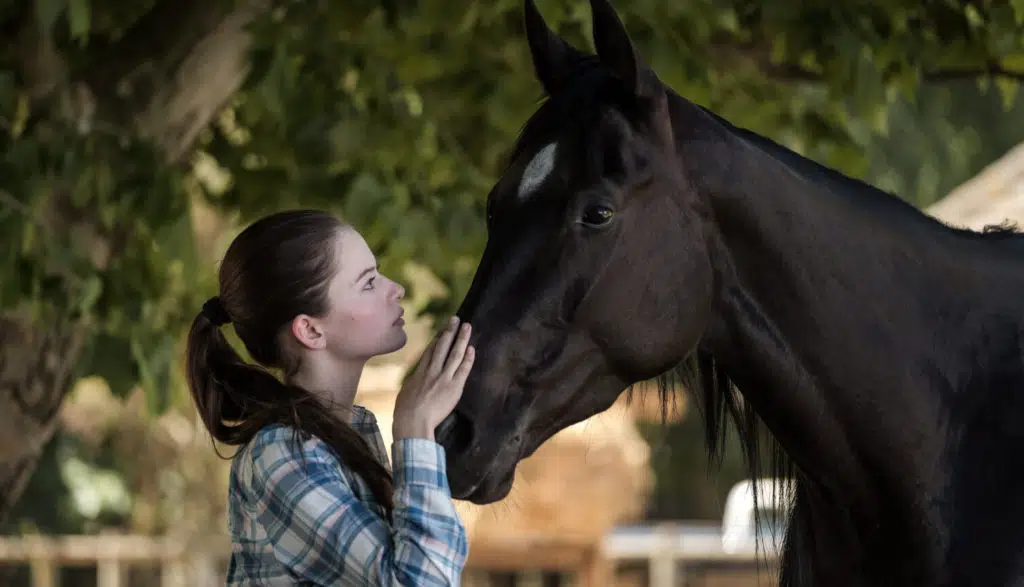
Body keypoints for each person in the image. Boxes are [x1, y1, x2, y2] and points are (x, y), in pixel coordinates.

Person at [184, 209, 473, 586]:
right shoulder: (281, 453)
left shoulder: (347, 433)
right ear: (310, 330)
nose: (395, 289)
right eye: (368, 283)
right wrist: (415, 430)